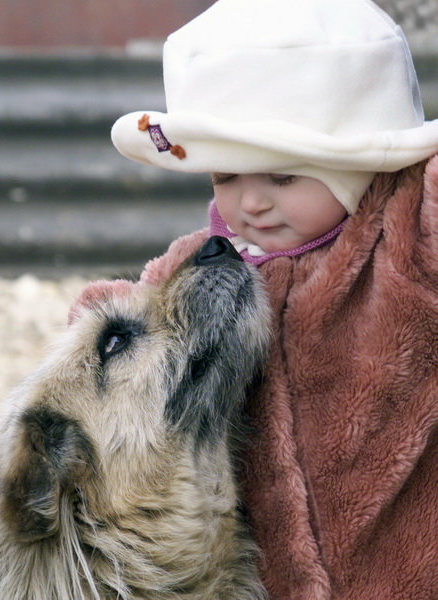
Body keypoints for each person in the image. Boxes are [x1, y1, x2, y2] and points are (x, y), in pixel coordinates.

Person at [111, 0, 438, 597]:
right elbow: (126, 316)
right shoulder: (202, 265)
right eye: (225, 178)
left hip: (403, 568)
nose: (250, 205)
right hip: (261, 577)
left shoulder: (408, 244)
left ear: (359, 163)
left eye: (283, 177)